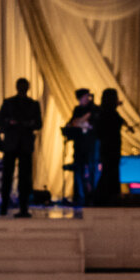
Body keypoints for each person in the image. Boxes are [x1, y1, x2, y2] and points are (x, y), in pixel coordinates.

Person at [0, 77, 42, 217]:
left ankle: (23, 207)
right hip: (12, 144)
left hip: (24, 145)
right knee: (8, 176)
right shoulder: (9, 103)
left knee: (24, 178)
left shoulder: (33, 104)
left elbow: (38, 124)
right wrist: (10, 123)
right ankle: (5, 206)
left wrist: (26, 124)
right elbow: (0, 121)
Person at [63, 88, 99, 216]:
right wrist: (77, 123)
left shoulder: (94, 109)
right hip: (79, 145)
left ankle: (92, 196)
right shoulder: (78, 110)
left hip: (91, 145)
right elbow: (72, 123)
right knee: (78, 169)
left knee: (92, 169)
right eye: (84, 97)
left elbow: (95, 125)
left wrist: (84, 123)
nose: (86, 99)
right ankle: (79, 196)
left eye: (87, 97)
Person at [94, 88, 125, 206]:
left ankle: (106, 198)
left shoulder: (104, 112)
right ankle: (107, 198)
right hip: (111, 147)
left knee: (109, 172)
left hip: (108, 147)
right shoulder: (109, 114)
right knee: (110, 173)